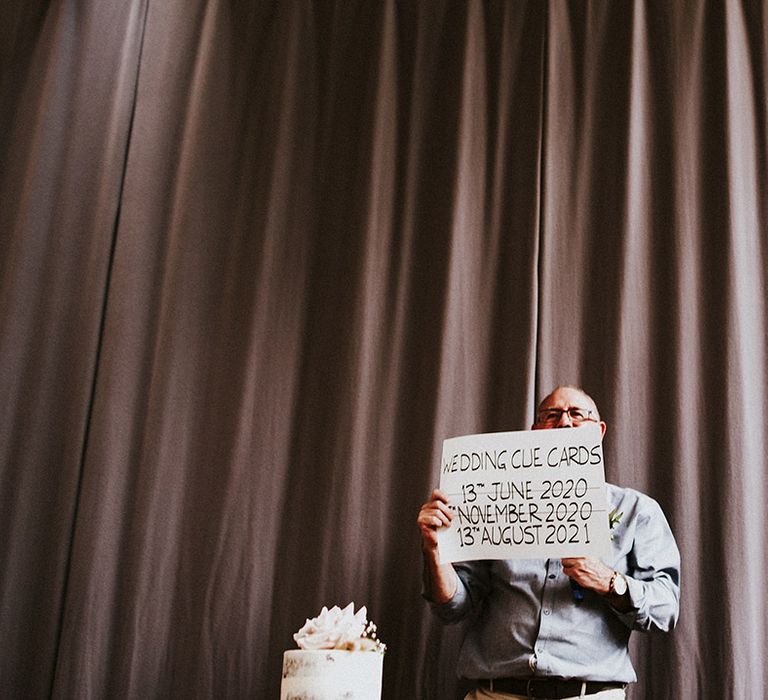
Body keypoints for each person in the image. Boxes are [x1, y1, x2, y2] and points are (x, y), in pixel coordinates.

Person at [418, 385, 681, 700]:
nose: (565, 423)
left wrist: (612, 583)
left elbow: (665, 610)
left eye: (577, 415)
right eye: (552, 416)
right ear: (535, 432)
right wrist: (434, 551)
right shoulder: (494, 504)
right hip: (495, 695)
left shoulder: (638, 510)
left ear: (598, 432)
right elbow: (452, 607)